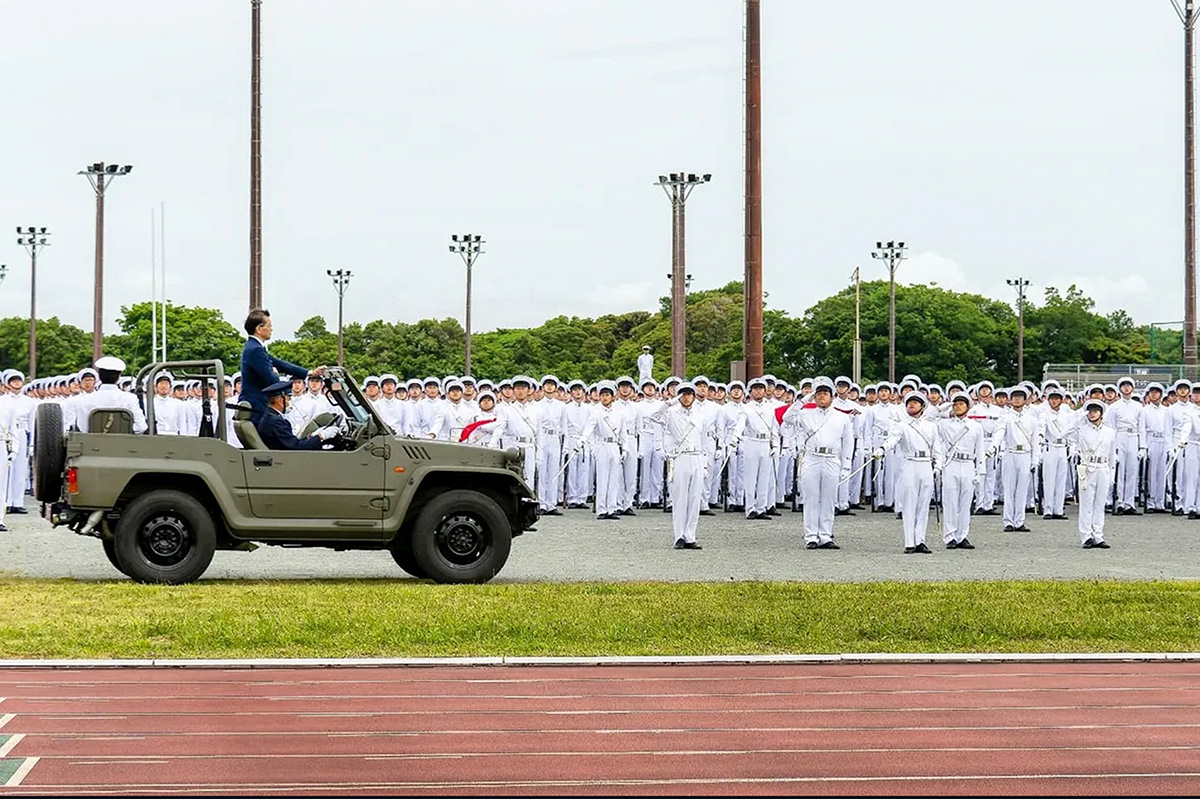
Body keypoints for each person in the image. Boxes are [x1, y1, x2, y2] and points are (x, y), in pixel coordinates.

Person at [783, 376, 853, 550]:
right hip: (812, 458)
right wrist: (805, 398)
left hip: (831, 459)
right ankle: (811, 536)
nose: (822, 396)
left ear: (832, 396)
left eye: (825, 393)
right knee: (811, 498)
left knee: (829, 499)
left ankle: (825, 535)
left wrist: (846, 466)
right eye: (819, 393)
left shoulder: (841, 417)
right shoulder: (806, 414)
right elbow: (787, 417)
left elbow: (848, 443)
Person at [878, 392, 942, 554]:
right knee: (909, 504)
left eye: (915, 403)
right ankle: (909, 542)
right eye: (909, 403)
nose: (911, 405)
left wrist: (938, 467)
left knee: (923, 504)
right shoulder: (902, 425)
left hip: (926, 465)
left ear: (922, 407)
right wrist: (882, 449)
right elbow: (893, 440)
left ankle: (920, 540)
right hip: (910, 464)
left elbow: (937, 449)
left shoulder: (931, 426)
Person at [647, 381, 709, 549]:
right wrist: (669, 402)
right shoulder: (671, 414)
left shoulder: (700, 415)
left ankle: (690, 536)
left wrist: (704, 465)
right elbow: (653, 416)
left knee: (695, 499)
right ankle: (679, 536)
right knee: (679, 498)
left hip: (696, 456)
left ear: (694, 396)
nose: (686, 397)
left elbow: (704, 442)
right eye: (683, 394)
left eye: (689, 394)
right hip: (680, 457)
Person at [239, 309, 324, 412]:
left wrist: (310, 373)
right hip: (257, 407)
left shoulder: (254, 347)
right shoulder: (255, 350)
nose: (271, 329)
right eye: (269, 326)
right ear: (259, 329)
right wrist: (274, 373)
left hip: (257, 405)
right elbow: (272, 381)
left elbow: (280, 364)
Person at [937, 391, 985, 549]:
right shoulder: (945, 424)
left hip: (968, 464)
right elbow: (931, 416)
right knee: (950, 501)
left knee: (965, 502)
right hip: (951, 463)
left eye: (961, 404)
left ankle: (962, 535)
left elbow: (980, 450)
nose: (957, 407)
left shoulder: (976, 426)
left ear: (968, 407)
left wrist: (981, 471)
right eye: (955, 404)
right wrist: (946, 405)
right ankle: (949, 536)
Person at [1071, 399, 1115, 549]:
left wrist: (1112, 475)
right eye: (1090, 411)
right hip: (1088, 468)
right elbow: (1065, 433)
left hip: (1103, 468)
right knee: (1086, 504)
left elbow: (1112, 455)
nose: (1092, 413)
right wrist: (1080, 417)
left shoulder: (1109, 432)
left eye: (1096, 411)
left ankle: (1098, 535)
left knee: (1099, 504)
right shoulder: (1081, 429)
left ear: (1101, 413)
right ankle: (1086, 536)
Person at [67, 357, 149, 435]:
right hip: (124, 445)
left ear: (99, 376)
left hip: (93, 445)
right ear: (118, 377)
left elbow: (83, 429)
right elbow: (141, 427)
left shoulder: (85, 400)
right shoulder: (130, 398)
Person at [254, 380, 340, 450]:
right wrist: (321, 436)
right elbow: (296, 447)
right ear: (280, 401)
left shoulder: (270, 417)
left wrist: (311, 437)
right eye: (288, 399)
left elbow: (292, 442)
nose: (290, 402)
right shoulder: (275, 421)